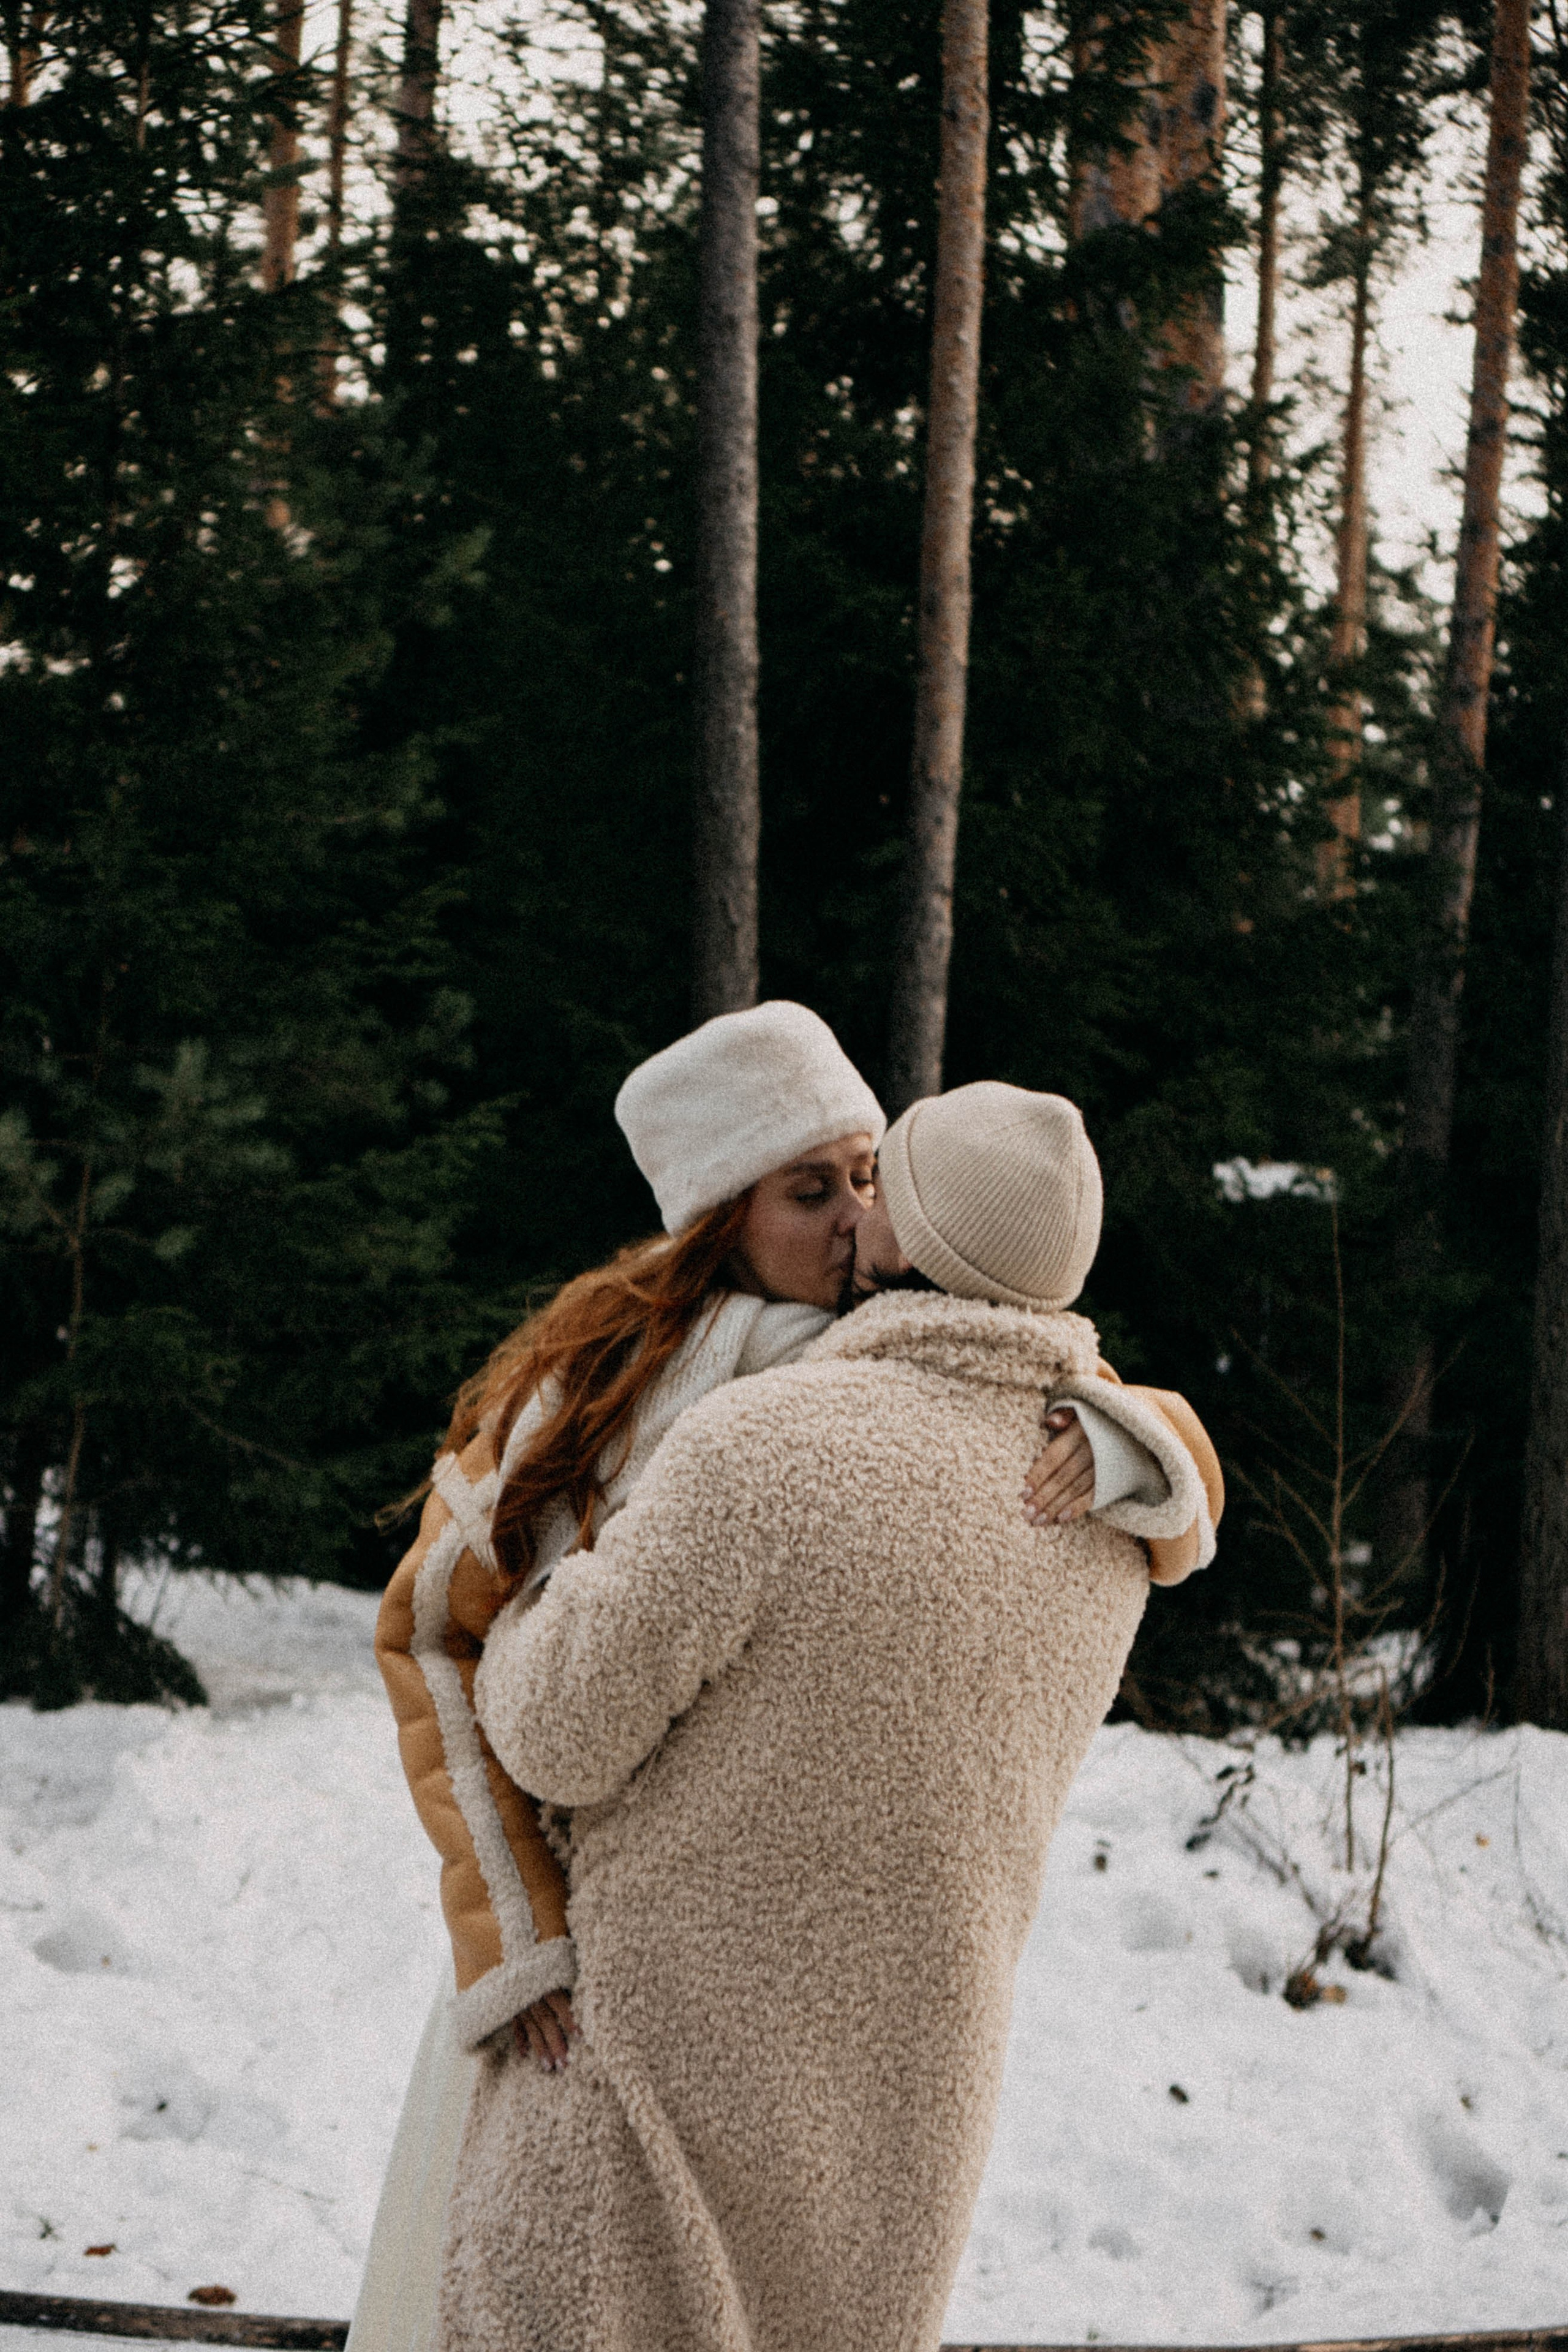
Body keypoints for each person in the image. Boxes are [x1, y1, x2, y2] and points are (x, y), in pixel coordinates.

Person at [359, 1013, 1217, 2352]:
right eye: (809, 1191)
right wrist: (514, 1935)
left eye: (869, 1177)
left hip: (795, 2009)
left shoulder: (909, 1354)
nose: (855, 1218)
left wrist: (1129, 1439)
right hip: (569, 1977)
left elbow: (1129, 1418)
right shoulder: (598, 1388)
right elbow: (430, 1636)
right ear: (719, 1216)